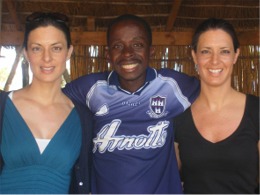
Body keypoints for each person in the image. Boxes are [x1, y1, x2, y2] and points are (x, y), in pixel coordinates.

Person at [63, 14, 200, 194]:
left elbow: (214, 96)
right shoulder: (91, 89)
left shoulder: (172, 86)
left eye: (137, 45)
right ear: (108, 55)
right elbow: (50, 102)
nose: (127, 53)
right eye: (118, 46)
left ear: (151, 51)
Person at [0, 12, 93, 194]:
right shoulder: (3, 107)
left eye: (56, 48)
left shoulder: (83, 118)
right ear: (26, 53)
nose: (47, 58)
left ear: (69, 52)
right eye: (37, 48)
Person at [174, 18, 259, 194]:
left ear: (236, 55)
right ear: (194, 55)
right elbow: (169, 180)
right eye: (206, 51)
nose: (215, 61)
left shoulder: (257, 111)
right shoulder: (179, 115)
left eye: (224, 51)